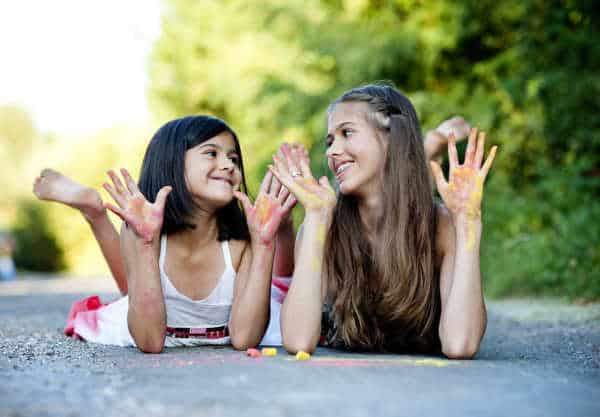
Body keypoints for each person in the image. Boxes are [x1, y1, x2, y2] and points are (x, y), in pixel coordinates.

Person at [270, 83, 497, 359]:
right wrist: (316, 218)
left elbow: (460, 344)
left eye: (347, 133)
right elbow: (297, 340)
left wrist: (469, 224)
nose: (331, 152)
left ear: (392, 140)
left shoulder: (441, 225)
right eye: (330, 141)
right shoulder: (323, 225)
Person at [34, 115, 295, 353]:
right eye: (211, 153)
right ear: (171, 162)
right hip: (153, 320)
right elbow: (149, 341)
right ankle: (95, 213)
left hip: (229, 315)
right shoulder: (141, 228)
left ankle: (285, 226)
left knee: (279, 290)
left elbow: (245, 339)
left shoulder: (241, 242)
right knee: (134, 290)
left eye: (234, 158)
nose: (228, 165)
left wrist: (263, 244)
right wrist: (146, 243)